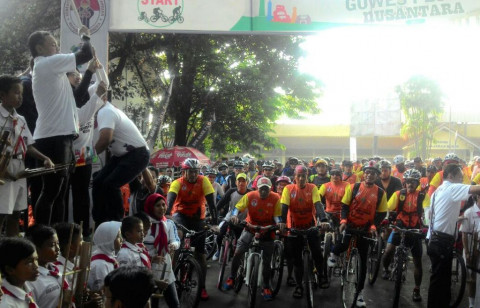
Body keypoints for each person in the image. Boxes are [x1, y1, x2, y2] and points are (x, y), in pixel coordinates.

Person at [28, 27, 93, 225]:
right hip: (53, 137)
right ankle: (43, 237)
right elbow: (86, 54)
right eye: (52, 43)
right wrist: (85, 36)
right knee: (51, 192)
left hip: (62, 136)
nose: (56, 46)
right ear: (39, 48)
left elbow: (78, 96)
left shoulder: (51, 70)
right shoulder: (46, 64)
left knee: (61, 192)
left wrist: (89, 74)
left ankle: (57, 237)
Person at [0, 75, 54, 236]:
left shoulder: (21, 119)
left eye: (21, 93)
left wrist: (45, 158)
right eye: (16, 92)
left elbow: (28, 146)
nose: (20, 96)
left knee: (16, 214)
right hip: (4, 168)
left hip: (20, 167)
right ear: (2, 95)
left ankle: (12, 248)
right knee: (2, 212)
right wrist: (5, 172)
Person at [330, 160, 388, 308]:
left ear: (376, 176)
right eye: (367, 172)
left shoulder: (381, 193)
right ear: (364, 174)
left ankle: (360, 293)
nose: (369, 175)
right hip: (350, 225)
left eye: (373, 173)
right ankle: (332, 255)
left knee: (363, 262)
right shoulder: (354, 187)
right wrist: (343, 220)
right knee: (343, 245)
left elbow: (381, 213)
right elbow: (345, 205)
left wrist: (374, 225)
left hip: (366, 229)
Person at [92, 93, 150, 225]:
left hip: (137, 154)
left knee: (111, 184)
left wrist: (90, 156)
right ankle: (100, 222)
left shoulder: (105, 111)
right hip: (122, 155)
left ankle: (117, 223)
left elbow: (105, 139)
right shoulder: (101, 112)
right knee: (98, 181)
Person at [427, 164, 480, 308]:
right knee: (439, 284)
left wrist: (456, 219)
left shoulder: (438, 191)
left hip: (434, 239)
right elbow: (476, 189)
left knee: (441, 282)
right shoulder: (452, 188)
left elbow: (435, 216)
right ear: (451, 176)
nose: (462, 180)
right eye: (460, 177)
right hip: (442, 242)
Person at [224, 177, 284, 301]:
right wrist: (234, 215)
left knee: (267, 261)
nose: (263, 192)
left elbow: (277, 216)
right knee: (238, 252)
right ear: (257, 188)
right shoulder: (250, 195)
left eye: (266, 189)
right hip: (250, 228)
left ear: (270, 189)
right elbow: (237, 207)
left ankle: (266, 286)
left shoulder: (275, 198)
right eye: (261, 189)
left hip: (268, 230)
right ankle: (232, 277)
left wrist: (279, 223)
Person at [166, 158, 217, 300]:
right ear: (184, 172)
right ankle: (170, 279)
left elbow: (212, 204)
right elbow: (170, 201)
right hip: (180, 215)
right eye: (190, 172)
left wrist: (215, 223)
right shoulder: (177, 183)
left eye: (195, 171)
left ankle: (202, 287)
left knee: (200, 255)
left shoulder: (203, 181)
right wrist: (166, 214)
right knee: (178, 242)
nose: (193, 174)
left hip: (197, 218)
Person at [281, 166, 330, 298]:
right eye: (299, 176)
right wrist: (282, 222)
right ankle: (298, 286)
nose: (301, 178)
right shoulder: (288, 189)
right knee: (297, 260)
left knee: (317, 253)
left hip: (310, 227)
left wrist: (323, 219)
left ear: (307, 177)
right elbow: (284, 206)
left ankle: (320, 276)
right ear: (294, 177)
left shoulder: (312, 188)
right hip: (294, 228)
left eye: (304, 176)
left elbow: (318, 205)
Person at [382, 169, 430, 302]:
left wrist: (426, 226)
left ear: (417, 183)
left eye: (413, 182)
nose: (410, 184)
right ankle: (385, 268)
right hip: (399, 227)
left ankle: (416, 289)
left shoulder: (422, 196)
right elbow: (388, 208)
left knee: (417, 261)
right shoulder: (399, 194)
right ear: (405, 183)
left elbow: (427, 211)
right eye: (408, 182)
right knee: (388, 251)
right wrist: (386, 219)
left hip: (415, 229)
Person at [143, 193, 180, 308]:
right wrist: (151, 258)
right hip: (147, 269)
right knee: (150, 303)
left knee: (174, 303)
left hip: (165, 268)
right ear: (150, 207)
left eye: (164, 205)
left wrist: (173, 245)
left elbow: (176, 240)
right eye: (158, 205)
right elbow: (138, 247)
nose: (162, 208)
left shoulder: (169, 223)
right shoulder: (143, 224)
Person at [214, 173, 251, 261]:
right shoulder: (231, 191)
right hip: (229, 218)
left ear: (247, 182)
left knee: (241, 242)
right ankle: (219, 250)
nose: (241, 183)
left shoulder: (251, 193)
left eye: (243, 181)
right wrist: (213, 214)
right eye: (239, 181)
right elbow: (220, 204)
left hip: (244, 221)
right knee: (219, 234)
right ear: (236, 182)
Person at [25, 225, 65, 308]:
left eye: (58, 243)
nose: (58, 249)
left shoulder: (55, 270)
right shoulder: (32, 279)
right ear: (36, 248)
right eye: (52, 245)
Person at [0, 237, 39, 308]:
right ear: (10, 270)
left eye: (36, 259)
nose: (36, 266)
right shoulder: (6, 304)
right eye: (29, 262)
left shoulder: (27, 288)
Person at [87, 221, 122, 292]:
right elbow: (103, 291)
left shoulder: (109, 257)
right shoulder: (100, 264)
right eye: (118, 236)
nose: (121, 239)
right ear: (109, 239)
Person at [459, 194, 480, 308]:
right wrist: (467, 252)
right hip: (472, 247)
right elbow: (464, 234)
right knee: (472, 279)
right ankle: (472, 304)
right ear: (477, 197)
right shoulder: (469, 212)